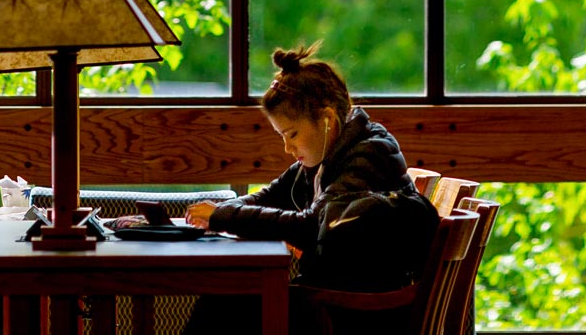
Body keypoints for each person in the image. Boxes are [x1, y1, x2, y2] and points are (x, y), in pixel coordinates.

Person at [181, 44, 438, 335]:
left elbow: (311, 224)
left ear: (326, 119)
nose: (288, 148)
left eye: (292, 134)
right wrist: (214, 214)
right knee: (222, 301)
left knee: (221, 306)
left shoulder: (367, 155)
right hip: (337, 302)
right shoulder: (331, 156)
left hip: (357, 314)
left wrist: (224, 216)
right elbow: (270, 196)